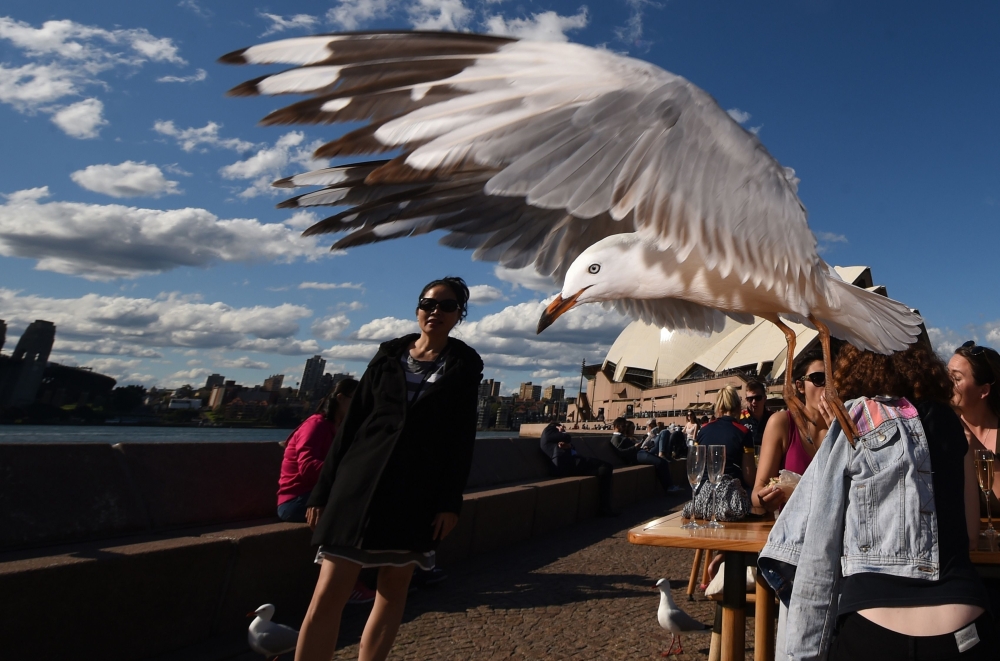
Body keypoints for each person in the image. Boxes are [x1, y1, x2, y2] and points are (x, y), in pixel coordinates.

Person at [759, 340, 997, 661]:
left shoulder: (853, 420)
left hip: (874, 627)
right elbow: (969, 534)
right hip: (962, 625)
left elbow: (819, 551)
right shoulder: (952, 423)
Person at [296, 276, 483, 661]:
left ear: (459, 315)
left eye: (447, 306)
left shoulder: (464, 366)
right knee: (328, 592)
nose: (436, 312)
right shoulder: (387, 356)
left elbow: (460, 439)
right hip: (358, 484)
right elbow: (350, 427)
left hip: (416, 489)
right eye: (429, 304)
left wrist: (450, 502)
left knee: (394, 588)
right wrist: (323, 492)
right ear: (417, 309)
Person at [751, 349, 829, 512]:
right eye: (819, 379)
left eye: (835, 380)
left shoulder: (847, 426)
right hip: (792, 531)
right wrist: (765, 498)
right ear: (800, 386)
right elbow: (757, 491)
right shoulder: (782, 423)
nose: (829, 387)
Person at [277, 378, 360, 522]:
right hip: (296, 501)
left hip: (323, 493)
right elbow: (308, 467)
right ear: (340, 398)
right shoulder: (315, 425)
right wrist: (347, 472)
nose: (361, 404)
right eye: (357, 399)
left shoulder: (342, 430)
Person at [949, 341, 1000, 514]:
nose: (946, 384)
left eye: (956, 379)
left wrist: (971, 442)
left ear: (984, 391)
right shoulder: (943, 432)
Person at [540, 421, 617, 516]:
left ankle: (605, 507)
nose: (563, 429)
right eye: (561, 427)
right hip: (567, 465)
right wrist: (562, 432)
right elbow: (567, 438)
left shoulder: (553, 437)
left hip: (572, 464)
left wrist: (568, 446)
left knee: (605, 470)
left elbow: (568, 445)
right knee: (606, 466)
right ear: (556, 426)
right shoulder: (549, 430)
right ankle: (604, 508)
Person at [695, 385, 755, 489]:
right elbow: (750, 479)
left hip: (702, 493)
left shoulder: (703, 430)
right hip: (730, 494)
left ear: (718, 407)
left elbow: (696, 467)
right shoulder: (744, 432)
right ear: (738, 406)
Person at [609, 418, 683, 494]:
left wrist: (640, 447)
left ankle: (670, 486)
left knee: (663, 462)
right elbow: (620, 453)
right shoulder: (616, 438)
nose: (625, 428)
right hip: (636, 456)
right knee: (660, 462)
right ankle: (669, 487)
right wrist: (635, 447)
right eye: (623, 426)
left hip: (640, 452)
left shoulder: (621, 436)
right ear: (617, 426)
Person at [739, 379, 772, 449]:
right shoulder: (739, 419)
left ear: (765, 398)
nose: (754, 402)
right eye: (750, 399)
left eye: (758, 398)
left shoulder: (773, 418)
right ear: (746, 400)